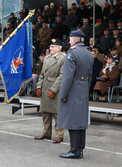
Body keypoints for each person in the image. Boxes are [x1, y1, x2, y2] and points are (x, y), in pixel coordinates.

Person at [57, 30, 94, 159]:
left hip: (72, 90)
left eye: (70, 39)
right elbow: (90, 76)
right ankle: (80, 149)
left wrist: (63, 94)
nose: (69, 41)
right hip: (83, 89)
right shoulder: (89, 54)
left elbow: (67, 78)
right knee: (81, 121)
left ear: (74, 40)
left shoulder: (71, 53)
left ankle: (74, 150)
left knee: (72, 121)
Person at [34, 39, 65, 144]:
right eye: (50, 46)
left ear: (59, 48)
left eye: (53, 47)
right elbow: (42, 74)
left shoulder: (63, 58)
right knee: (46, 112)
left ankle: (59, 135)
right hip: (45, 87)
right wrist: (39, 86)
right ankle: (46, 133)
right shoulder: (47, 58)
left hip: (56, 89)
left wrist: (53, 90)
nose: (50, 48)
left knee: (57, 113)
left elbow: (62, 76)